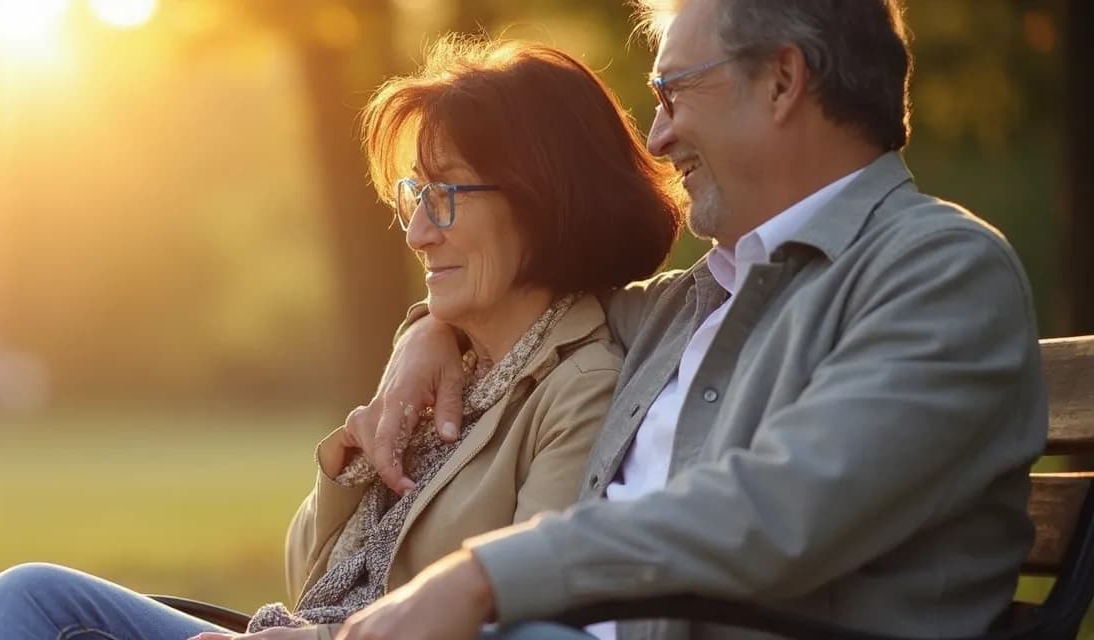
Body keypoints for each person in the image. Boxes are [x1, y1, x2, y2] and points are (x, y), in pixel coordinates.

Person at [330, 2, 1049, 640]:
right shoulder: (684, 303)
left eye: (672, 95)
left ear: (781, 81)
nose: (658, 135)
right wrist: (431, 328)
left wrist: (483, 576)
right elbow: (516, 300)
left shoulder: (942, 273)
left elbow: (776, 514)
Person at [0, 36, 683, 640]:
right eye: (413, 197)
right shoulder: (443, 362)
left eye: (446, 196)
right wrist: (348, 475)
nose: (419, 233)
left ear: (543, 198)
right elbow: (310, 579)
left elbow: (525, 614)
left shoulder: (578, 385)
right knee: (28, 599)